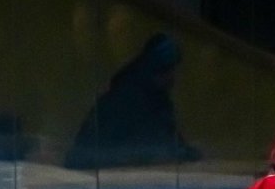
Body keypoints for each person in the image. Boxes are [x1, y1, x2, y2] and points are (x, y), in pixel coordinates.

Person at [64, 33, 200, 169]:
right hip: (101, 167)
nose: (173, 77)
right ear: (159, 69)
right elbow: (151, 141)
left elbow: (167, 136)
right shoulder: (129, 97)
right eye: (170, 70)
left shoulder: (153, 97)